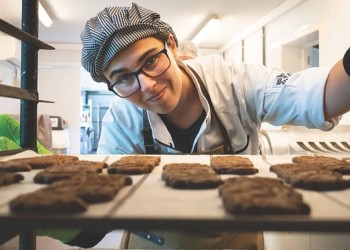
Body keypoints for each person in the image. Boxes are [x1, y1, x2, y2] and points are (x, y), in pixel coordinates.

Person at [43, 2, 350, 249]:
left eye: (151, 60)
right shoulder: (122, 118)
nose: (147, 86)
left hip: (236, 240)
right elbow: (99, 214)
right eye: (124, 78)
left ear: (172, 45)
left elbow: (324, 96)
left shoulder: (232, 80)